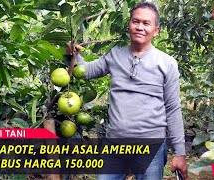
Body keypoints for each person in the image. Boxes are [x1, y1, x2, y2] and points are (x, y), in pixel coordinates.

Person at [67, 2, 188, 180]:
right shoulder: (115, 54)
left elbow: (172, 109)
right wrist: (74, 55)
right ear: (129, 25)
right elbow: (88, 71)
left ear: (156, 30)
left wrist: (180, 153)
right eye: (135, 21)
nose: (139, 27)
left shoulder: (167, 63)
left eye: (146, 23)